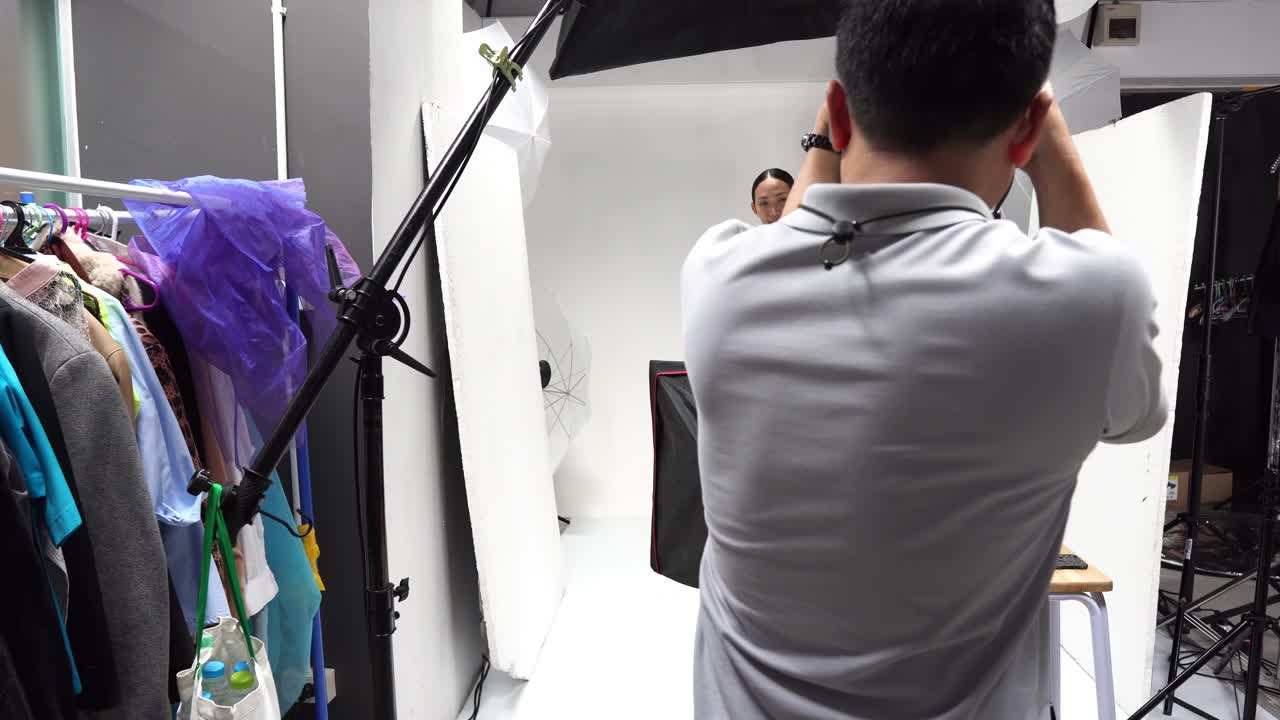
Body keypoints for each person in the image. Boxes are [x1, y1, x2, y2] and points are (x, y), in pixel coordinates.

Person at [681, 1, 1166, 718]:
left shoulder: (718, 276)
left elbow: (799, 235)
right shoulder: (1090, 300)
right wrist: (1048, 133)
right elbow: (1133, 417)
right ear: (1028, 128)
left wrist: (827, 130)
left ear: (840, 118)